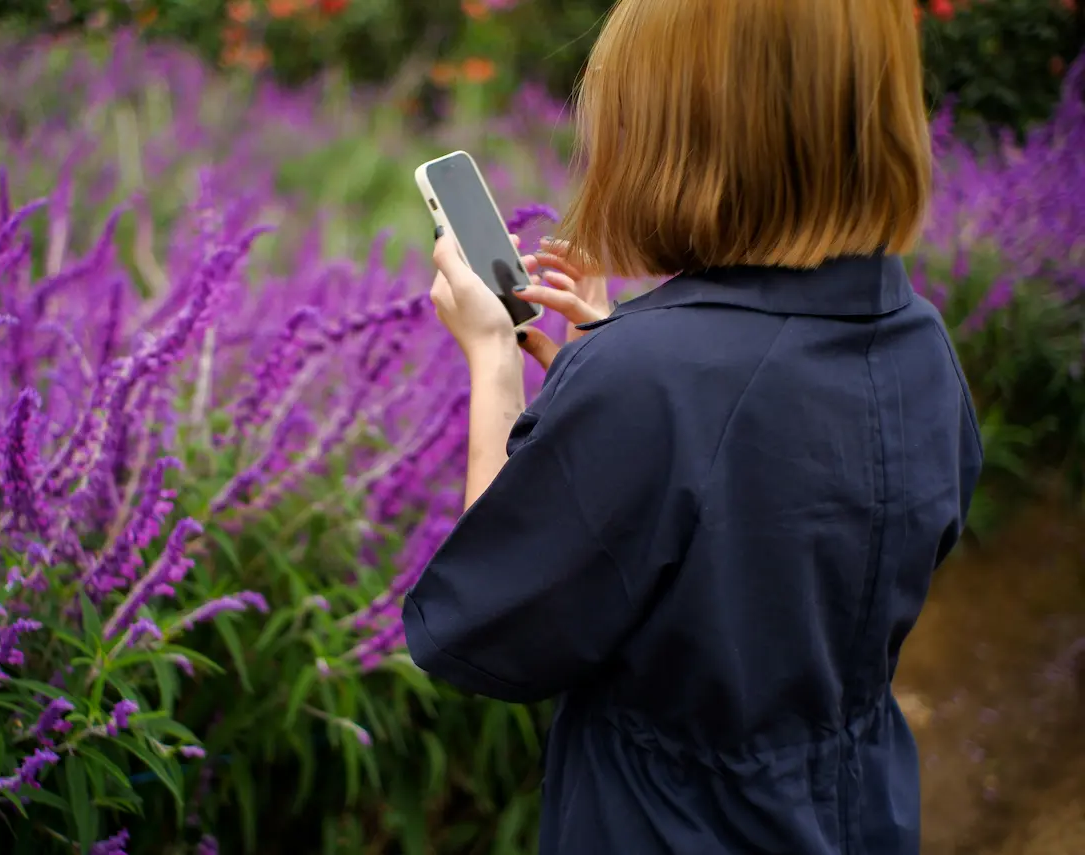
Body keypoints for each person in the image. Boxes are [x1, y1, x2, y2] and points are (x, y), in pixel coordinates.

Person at [401, 1, 985, 853]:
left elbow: (484, 627)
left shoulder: (652, 377)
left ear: (685, 136)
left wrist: (495, 361)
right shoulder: (918, 339)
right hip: (858, 813)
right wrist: (604, 354)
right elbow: (777, 488)